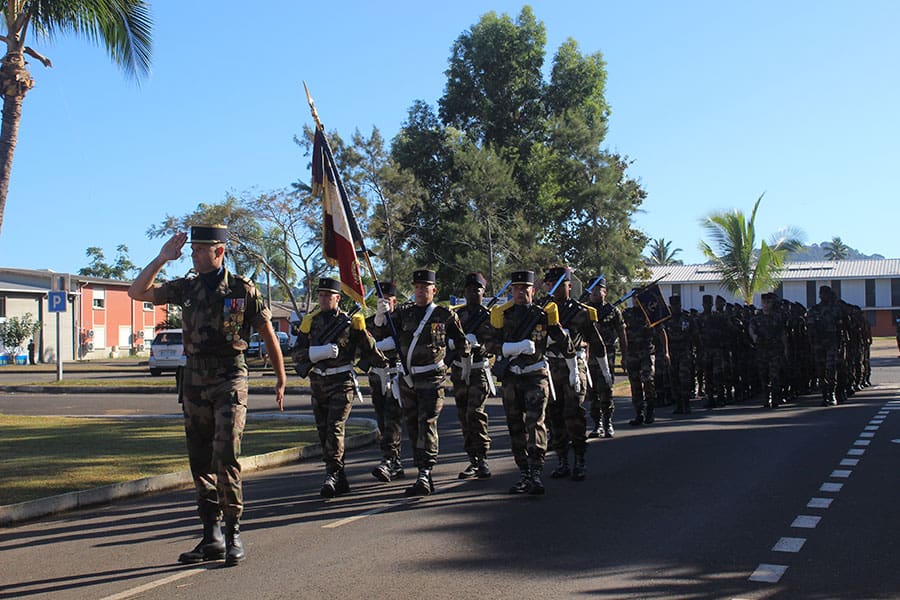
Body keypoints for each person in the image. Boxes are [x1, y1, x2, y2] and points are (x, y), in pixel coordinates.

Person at [128, 225, 286, 567]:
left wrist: (281, 376)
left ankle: (234, 533)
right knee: (199, 459)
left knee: (225, 454)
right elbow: (137, 293)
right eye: (193, 249)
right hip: (194, 378)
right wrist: (161, 258)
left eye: (202, 249)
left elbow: (267, 331)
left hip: (230, 375)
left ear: (220, 252)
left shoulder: (242, 289)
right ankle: (210, 535)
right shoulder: (187, 287)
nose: (195, 254)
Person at [373, 269, 470, 496]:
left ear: (433, 290)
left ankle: (425, 472)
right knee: (413, 426)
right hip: (409, 379)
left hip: (432, 379)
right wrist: (380, 316)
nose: (419, 291)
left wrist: (449, 360)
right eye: (416, 287)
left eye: (424, 288)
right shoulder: (404, 313)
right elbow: (381, 333)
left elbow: (462, 344)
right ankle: (420, 471)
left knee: (427, 424)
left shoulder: (444, 315)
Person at [292, 277, 386, 497]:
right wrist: (315, 353)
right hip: (318, 383)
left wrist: (362, 329)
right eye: (321, 295)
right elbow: (297, 354)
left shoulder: (349, 322)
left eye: (328, 296)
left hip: (342, 382)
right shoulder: (310, 322)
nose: (323, 299)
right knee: (324, 431)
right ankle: (340, 477)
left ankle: (331, 474)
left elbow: (370, 352)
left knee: (335, 427)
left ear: (338, 298)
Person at [485, 270, 572, 495]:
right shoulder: (502, 315)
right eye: (516, 288)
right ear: (511, 290)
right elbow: (489, 344)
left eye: (525, 288)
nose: (520, 292)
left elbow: (565, 346)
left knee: (536, 424)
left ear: (533, 290)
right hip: (512, 376)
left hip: (536, 375)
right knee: (515, 426)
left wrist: (557, 326)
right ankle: (523, 473)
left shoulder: (543, 314)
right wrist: (508, 348)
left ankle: (535, 472)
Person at [543, 267, 607, 482]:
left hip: (573, 367)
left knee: (574, 413)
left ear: (570, 286)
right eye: (552, 284)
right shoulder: (542, 310)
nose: (556, 288)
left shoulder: (582, 311)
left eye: (561, 284)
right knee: (554, 415)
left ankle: (579, 459)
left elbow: (596, 342)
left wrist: (605, 369)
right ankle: (561, 460)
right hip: (550, 367)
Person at [449, 272, 494, 480]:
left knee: (475, 413)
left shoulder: (490, 316)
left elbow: (495, 343)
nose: (472, 293)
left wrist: (481, 346)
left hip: (478, 370)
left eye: (477, 289)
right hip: (459, 370)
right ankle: (472, 459)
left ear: (483, 292)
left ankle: (483, 458)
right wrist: (454, 344)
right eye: (469, 289)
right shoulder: (456, 316)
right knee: (463, 415)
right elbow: (446, 338)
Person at [364, 281, 406, 483]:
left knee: (392, 420)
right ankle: (395, 462)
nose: (384, 303)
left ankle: (388, 461)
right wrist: (379, 320)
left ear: (395, 301)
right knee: (382, 420)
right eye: (381, 300)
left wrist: (379, 346)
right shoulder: (370, 321)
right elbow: (364, 346)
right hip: (376, 376)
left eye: (387, 300)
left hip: (395, 375)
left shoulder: (402, 320)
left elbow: (403, 342)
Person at [585, 276, 626, 438]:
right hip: (589, 355)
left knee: (606, 389)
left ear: (605, 292)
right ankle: (597, 424)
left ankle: (608, 422)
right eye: (592, 290)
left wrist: (625, 355)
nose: (595, 293)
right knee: (592, 391)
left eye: (598, 290)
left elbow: (622, 333)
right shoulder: (585, 310)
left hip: (607, 355)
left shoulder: (613, 311)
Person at [622, 293, 668, 425]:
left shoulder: (650, 314)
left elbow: (661, 332)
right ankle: (639, 414)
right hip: (632, 354)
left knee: (648, 381)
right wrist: (624, 355)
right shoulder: (627, 313)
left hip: (646, 353)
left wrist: (666, 352)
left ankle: (650, 411)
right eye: (634, 298)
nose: (636, 300)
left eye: (638, 297)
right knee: (635, 385)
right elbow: (621, 332)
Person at [806, 285, 845, 406]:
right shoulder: (814, 310)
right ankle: (824, 394)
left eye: (826, 294)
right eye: (822, 294)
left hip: (831, 344)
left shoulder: (836, 310)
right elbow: (810, 329)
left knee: (831, 369)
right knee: (821, 370)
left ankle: (831, 393)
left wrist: (840, 344)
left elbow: (841, 328)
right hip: (818, 345)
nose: (824, 296)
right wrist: (812, 344)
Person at [663, 295, 698, 414]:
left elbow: (695, 335)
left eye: (677, 305)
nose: (675, 308)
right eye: (673, 306)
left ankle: (686, 404)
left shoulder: (687, 319)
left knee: (685, 379)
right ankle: (678, 404)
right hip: (672, 353)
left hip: (685, 353)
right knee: (674, 380)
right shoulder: (666, 320)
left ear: (680, 305)